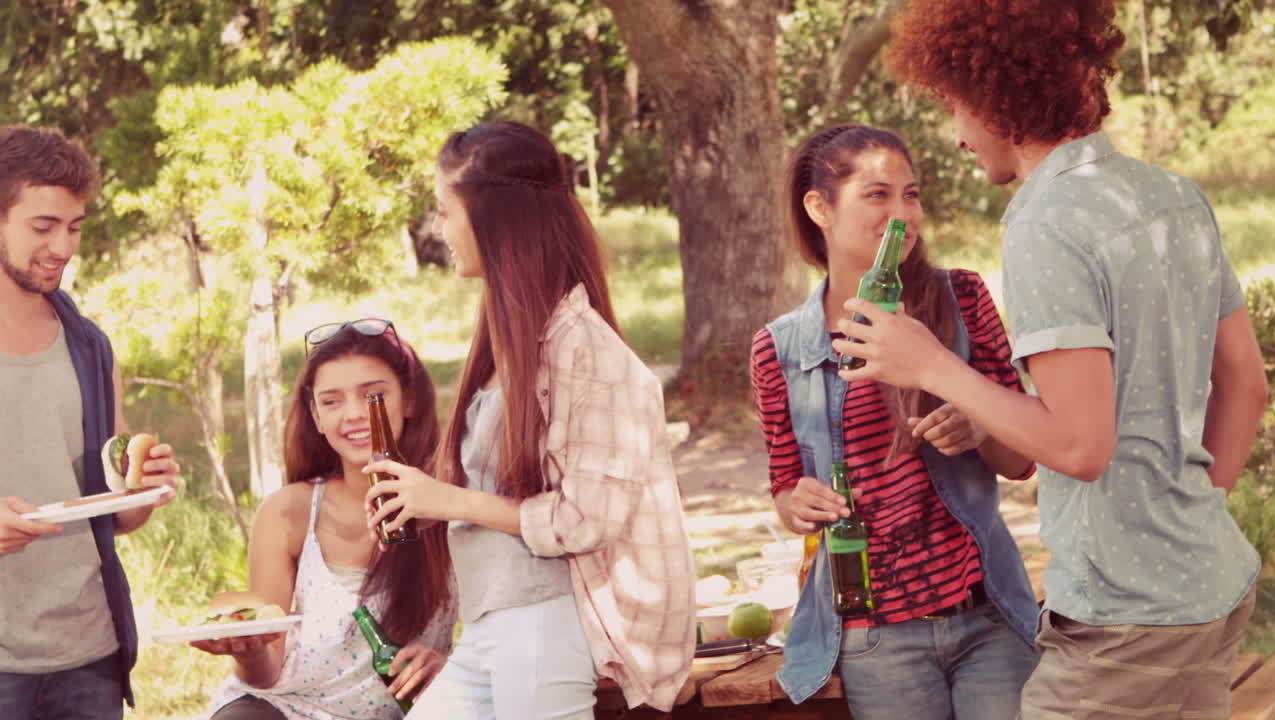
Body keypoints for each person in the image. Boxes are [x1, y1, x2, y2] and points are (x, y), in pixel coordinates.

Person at [832, 2, 1271, 717]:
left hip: (1126, 624)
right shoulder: (1175, 195)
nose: (957, 137)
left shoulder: (1047, 221)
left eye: (955, 106)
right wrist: (1185, 524)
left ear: (997, 96)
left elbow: (1077, 443)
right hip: (1209, 588)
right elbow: (1246, 386)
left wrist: (932, 364)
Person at [363, 120, 696, 720]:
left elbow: (585, 519)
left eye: (445, 211)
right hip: (491, 623)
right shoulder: (507, 343)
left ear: (494, 220)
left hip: (546, 622)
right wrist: (418, 501)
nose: (439, 229)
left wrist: (446, 500)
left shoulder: (585, 351)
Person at [753, 123, 1040, 720]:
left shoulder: (961, 299)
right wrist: (795, 503)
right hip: (876, 636)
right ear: (819, 208)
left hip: (984, 614)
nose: (902, 212)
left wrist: (981, 425)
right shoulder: (780, 349)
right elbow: (785, 489)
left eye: (911, 194)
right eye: (878, 195)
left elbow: (1021, 462)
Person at [0, 125, 182, 719]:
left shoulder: (89, 346)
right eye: (42, 226)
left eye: (74, 227)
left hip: (88, 657)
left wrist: (144, 490)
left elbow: (116, 511)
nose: (63, 247)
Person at [193, 320, 456, 719]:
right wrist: (249, 651)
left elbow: (503, 630)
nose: (353, 415)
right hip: (282, 708)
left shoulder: (452, 506)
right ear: (315, 416)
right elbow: (267, 674)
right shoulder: (288, 512)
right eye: (332, 401)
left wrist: (451, 670)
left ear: (410, 400)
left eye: (373, 396)